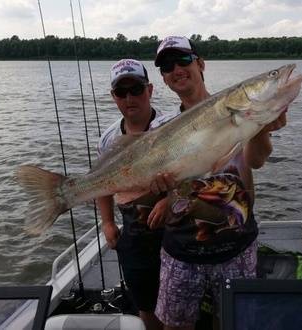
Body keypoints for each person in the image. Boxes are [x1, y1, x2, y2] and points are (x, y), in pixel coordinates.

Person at [150, 36, 287, 330]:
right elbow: (166, 190)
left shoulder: (239, 110)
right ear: (163, 79)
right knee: (175, 326)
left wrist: (262, 127)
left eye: (183, 60)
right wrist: (160, 189)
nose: (176, 69)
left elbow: (256, 161)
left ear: (200, 64)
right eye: (167, 66)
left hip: (236, 245)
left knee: (234, 323)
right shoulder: (160, 130)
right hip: (181, 250)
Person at [96, 58, 177, 330]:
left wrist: (169, 200)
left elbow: (193, 173)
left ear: (150, 90)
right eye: (121, 92)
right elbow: (101, 185)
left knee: (178, 305)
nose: (129, 97)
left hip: (174, 230)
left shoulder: (173, 126)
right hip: (133, 232)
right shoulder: (108, 140)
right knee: (146, 304)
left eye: (136, 89)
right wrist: (107, 223)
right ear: (113, 97)